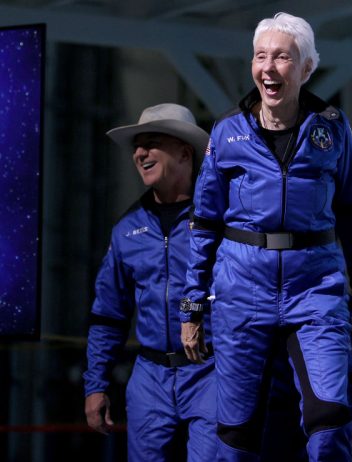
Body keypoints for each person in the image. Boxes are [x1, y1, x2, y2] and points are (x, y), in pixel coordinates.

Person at [180, 12, 352, 461]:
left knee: (330, 420)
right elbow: (205, 222)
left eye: (282, 57)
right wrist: (192, 307)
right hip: (240, 293)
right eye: (260, 56)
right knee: (234, 437)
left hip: (316, 291)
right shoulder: (227, 132)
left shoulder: (332, 127)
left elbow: (351, 211)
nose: (268, 67)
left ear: (306, 69)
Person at [83, 103, 217, 461]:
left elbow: (236, 296)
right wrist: (95, 385)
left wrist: (193, 310)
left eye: (151, 142)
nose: (139, 153)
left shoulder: (221, 224)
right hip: (149, 377)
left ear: (184, 152)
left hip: (212, 372)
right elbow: (108, 314)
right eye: (136, 147)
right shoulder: (127, 230)